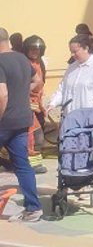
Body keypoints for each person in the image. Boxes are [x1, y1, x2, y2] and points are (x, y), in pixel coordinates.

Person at [0, 28, 41, 222]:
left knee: (21, 164)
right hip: (22, 120)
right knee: (22, 165)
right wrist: (22, 93)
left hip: (4, 121)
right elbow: (37, 80)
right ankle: (33, 208)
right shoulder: (22, 59)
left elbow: (2, 94)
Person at [49, 34, 93, 117]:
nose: (72, 55)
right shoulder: (71, 67)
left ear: (86, 48)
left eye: (75, 52)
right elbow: (62, 90)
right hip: (69, 117)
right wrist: (53, 103)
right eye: (71, 52)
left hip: (88, 117)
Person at [22, 36, 47, 174]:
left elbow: (40, 87)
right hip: (26, 105)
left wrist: (41, 106)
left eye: (38, 50)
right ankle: (33, 164)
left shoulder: (39, 63)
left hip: (36, 104)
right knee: (35, 135)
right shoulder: (25, 64)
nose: (35, 52)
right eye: (32, 49)